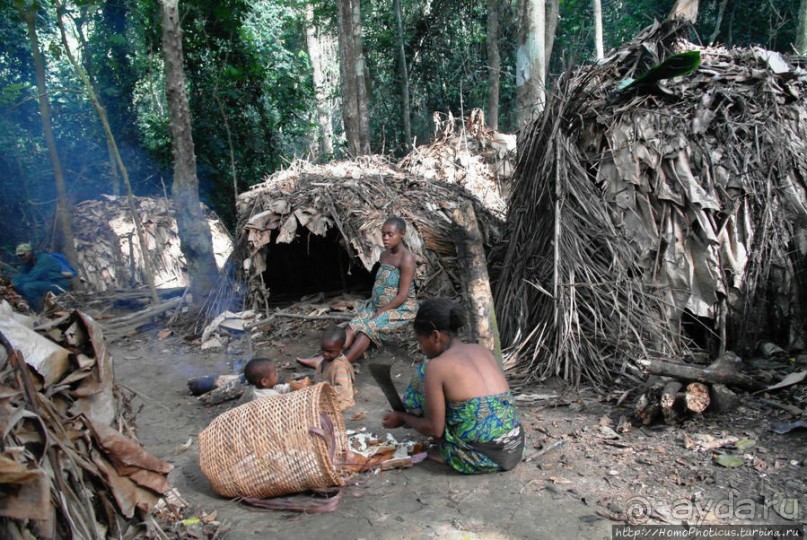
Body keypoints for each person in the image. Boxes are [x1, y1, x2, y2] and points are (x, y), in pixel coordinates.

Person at [382, 298, 524, 474]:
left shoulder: (436, 367)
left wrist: (403, 417)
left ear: (435, 336)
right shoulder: (482, 351)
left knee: (422, 373)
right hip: (515, 447)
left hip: (483, 458)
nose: (421, 348)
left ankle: (450, 449)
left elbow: (435, 430)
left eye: (421, 341)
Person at [297, 216, 418, 368]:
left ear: (402, 234)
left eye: (390, 234)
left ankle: (341, 365)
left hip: (400, 308)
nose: (385, 238)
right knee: (353, 325)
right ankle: (322, 359)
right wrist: (377, 307)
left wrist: (382, 311)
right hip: (377, 306)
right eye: (383, 234)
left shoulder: (407, 258)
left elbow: (402, 296)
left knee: (368, 328)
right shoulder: (384, 255)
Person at [11, 243, 71, 311]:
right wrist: (12, 281)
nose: (21, 257)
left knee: (28, 287)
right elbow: (21, 274)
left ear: (30, 252)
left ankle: (42, 311)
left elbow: (31, 277)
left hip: (58, 285)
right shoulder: (30, 261)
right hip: (46, 283)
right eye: (19, 256)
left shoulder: (43, 260)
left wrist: (14, 283)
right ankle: (30, 307)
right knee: (21, 287)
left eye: (23, 255)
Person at [316, 326, 355, 411]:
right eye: (323, 349)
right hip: (326, 394)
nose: (325, 354)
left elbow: (342, 389)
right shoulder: (327, 359)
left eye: (330, 351)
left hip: (340, 399)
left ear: (341, 349)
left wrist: (323, 396)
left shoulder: (339, 366)